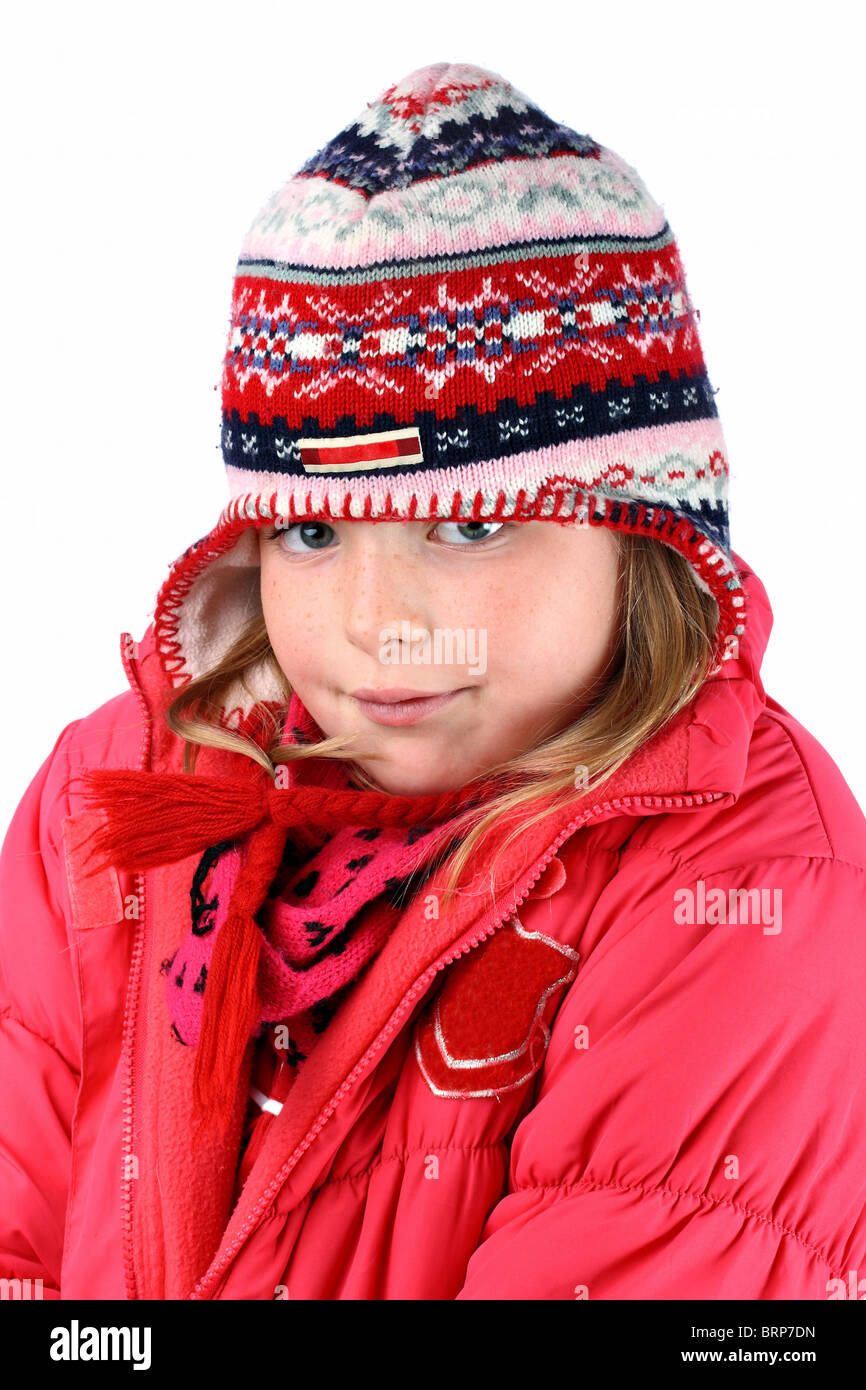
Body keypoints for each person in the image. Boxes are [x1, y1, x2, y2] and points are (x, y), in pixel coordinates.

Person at [1, 59, 864, 1303]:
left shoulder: (744, 895)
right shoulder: (123, 792)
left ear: (643, 529)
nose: (373, 626)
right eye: (311, 533)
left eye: (465, 528)